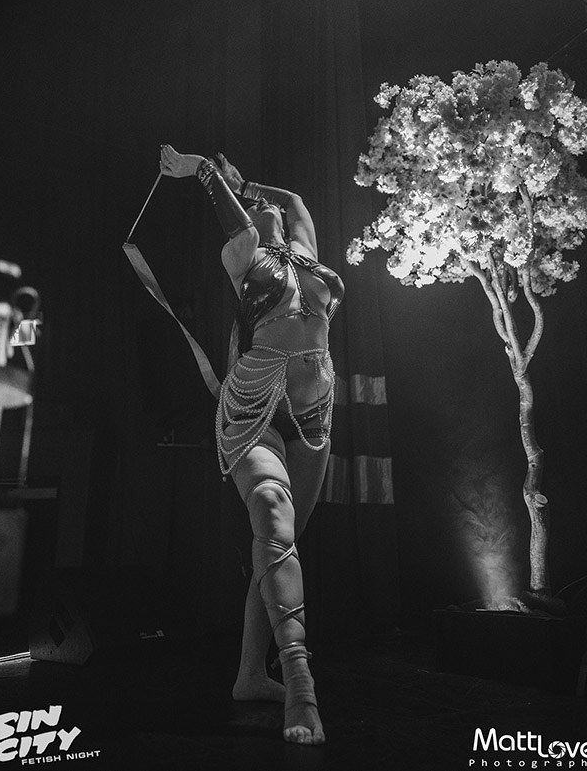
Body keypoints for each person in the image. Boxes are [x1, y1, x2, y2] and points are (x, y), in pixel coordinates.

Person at [159, 145, 344, 746]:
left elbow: (296, 202)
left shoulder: (307, 256)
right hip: (254, 401)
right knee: (270, 509)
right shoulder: (243, 254)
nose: (267, 209)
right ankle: (299, 684)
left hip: (313, 412)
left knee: (278, 543)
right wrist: (203, 170)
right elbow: (238, 221)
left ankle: (247, 677)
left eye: (268, 206)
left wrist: (252, 185)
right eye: (253, 207)